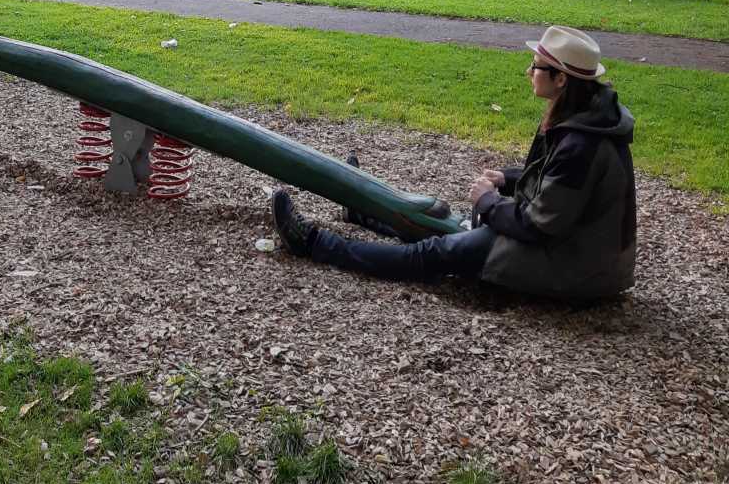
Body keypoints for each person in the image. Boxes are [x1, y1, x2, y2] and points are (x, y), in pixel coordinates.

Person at [272, 26, 636, 301]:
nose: (529, 72)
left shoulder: (581, 143)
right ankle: (361, 213)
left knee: (434, 253)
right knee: (447, 227)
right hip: (575, 252)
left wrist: (488, 202)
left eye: (536, 66)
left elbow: (537, 225)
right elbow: (557, 184)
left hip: (577, 268)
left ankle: (313, 243)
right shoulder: (585, 119)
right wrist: (509, 180)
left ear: (561, 79)